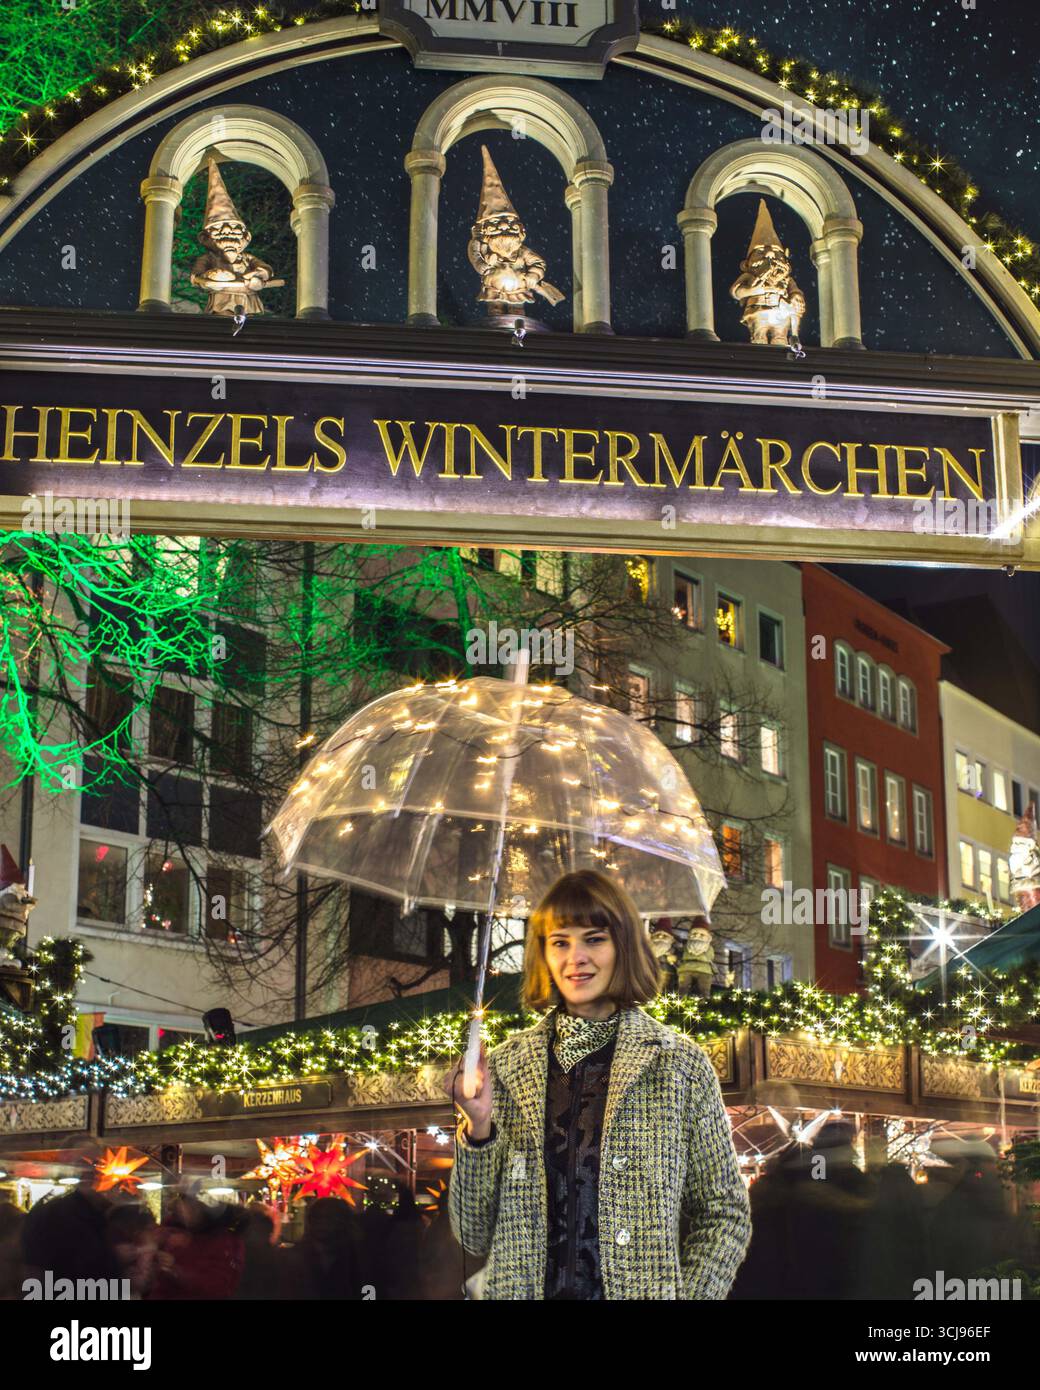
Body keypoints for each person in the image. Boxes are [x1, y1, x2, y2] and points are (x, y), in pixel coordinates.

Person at [443, 869, 751, 1300]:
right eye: (560, 942)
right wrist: (478, 1129)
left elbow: (724, 1214)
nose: (576, 958)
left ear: (623, 945)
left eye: (594, 938)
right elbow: (473, 1234)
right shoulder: (506, 1068)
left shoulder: (678, 1065)